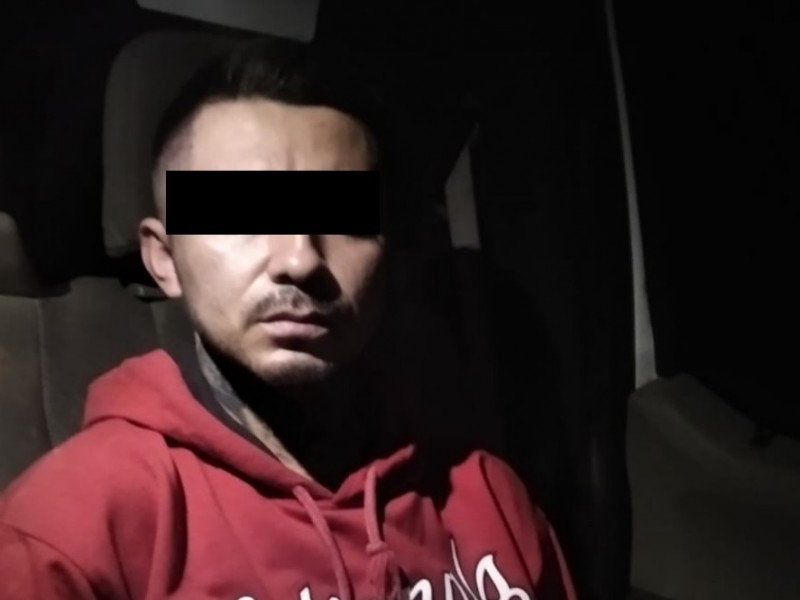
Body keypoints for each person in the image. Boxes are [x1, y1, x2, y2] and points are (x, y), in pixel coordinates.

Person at [0, 37, 577, 600]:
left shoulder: (489, 496)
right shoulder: (68, 534)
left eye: (344, 218)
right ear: (164, 259)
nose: (300, 260)